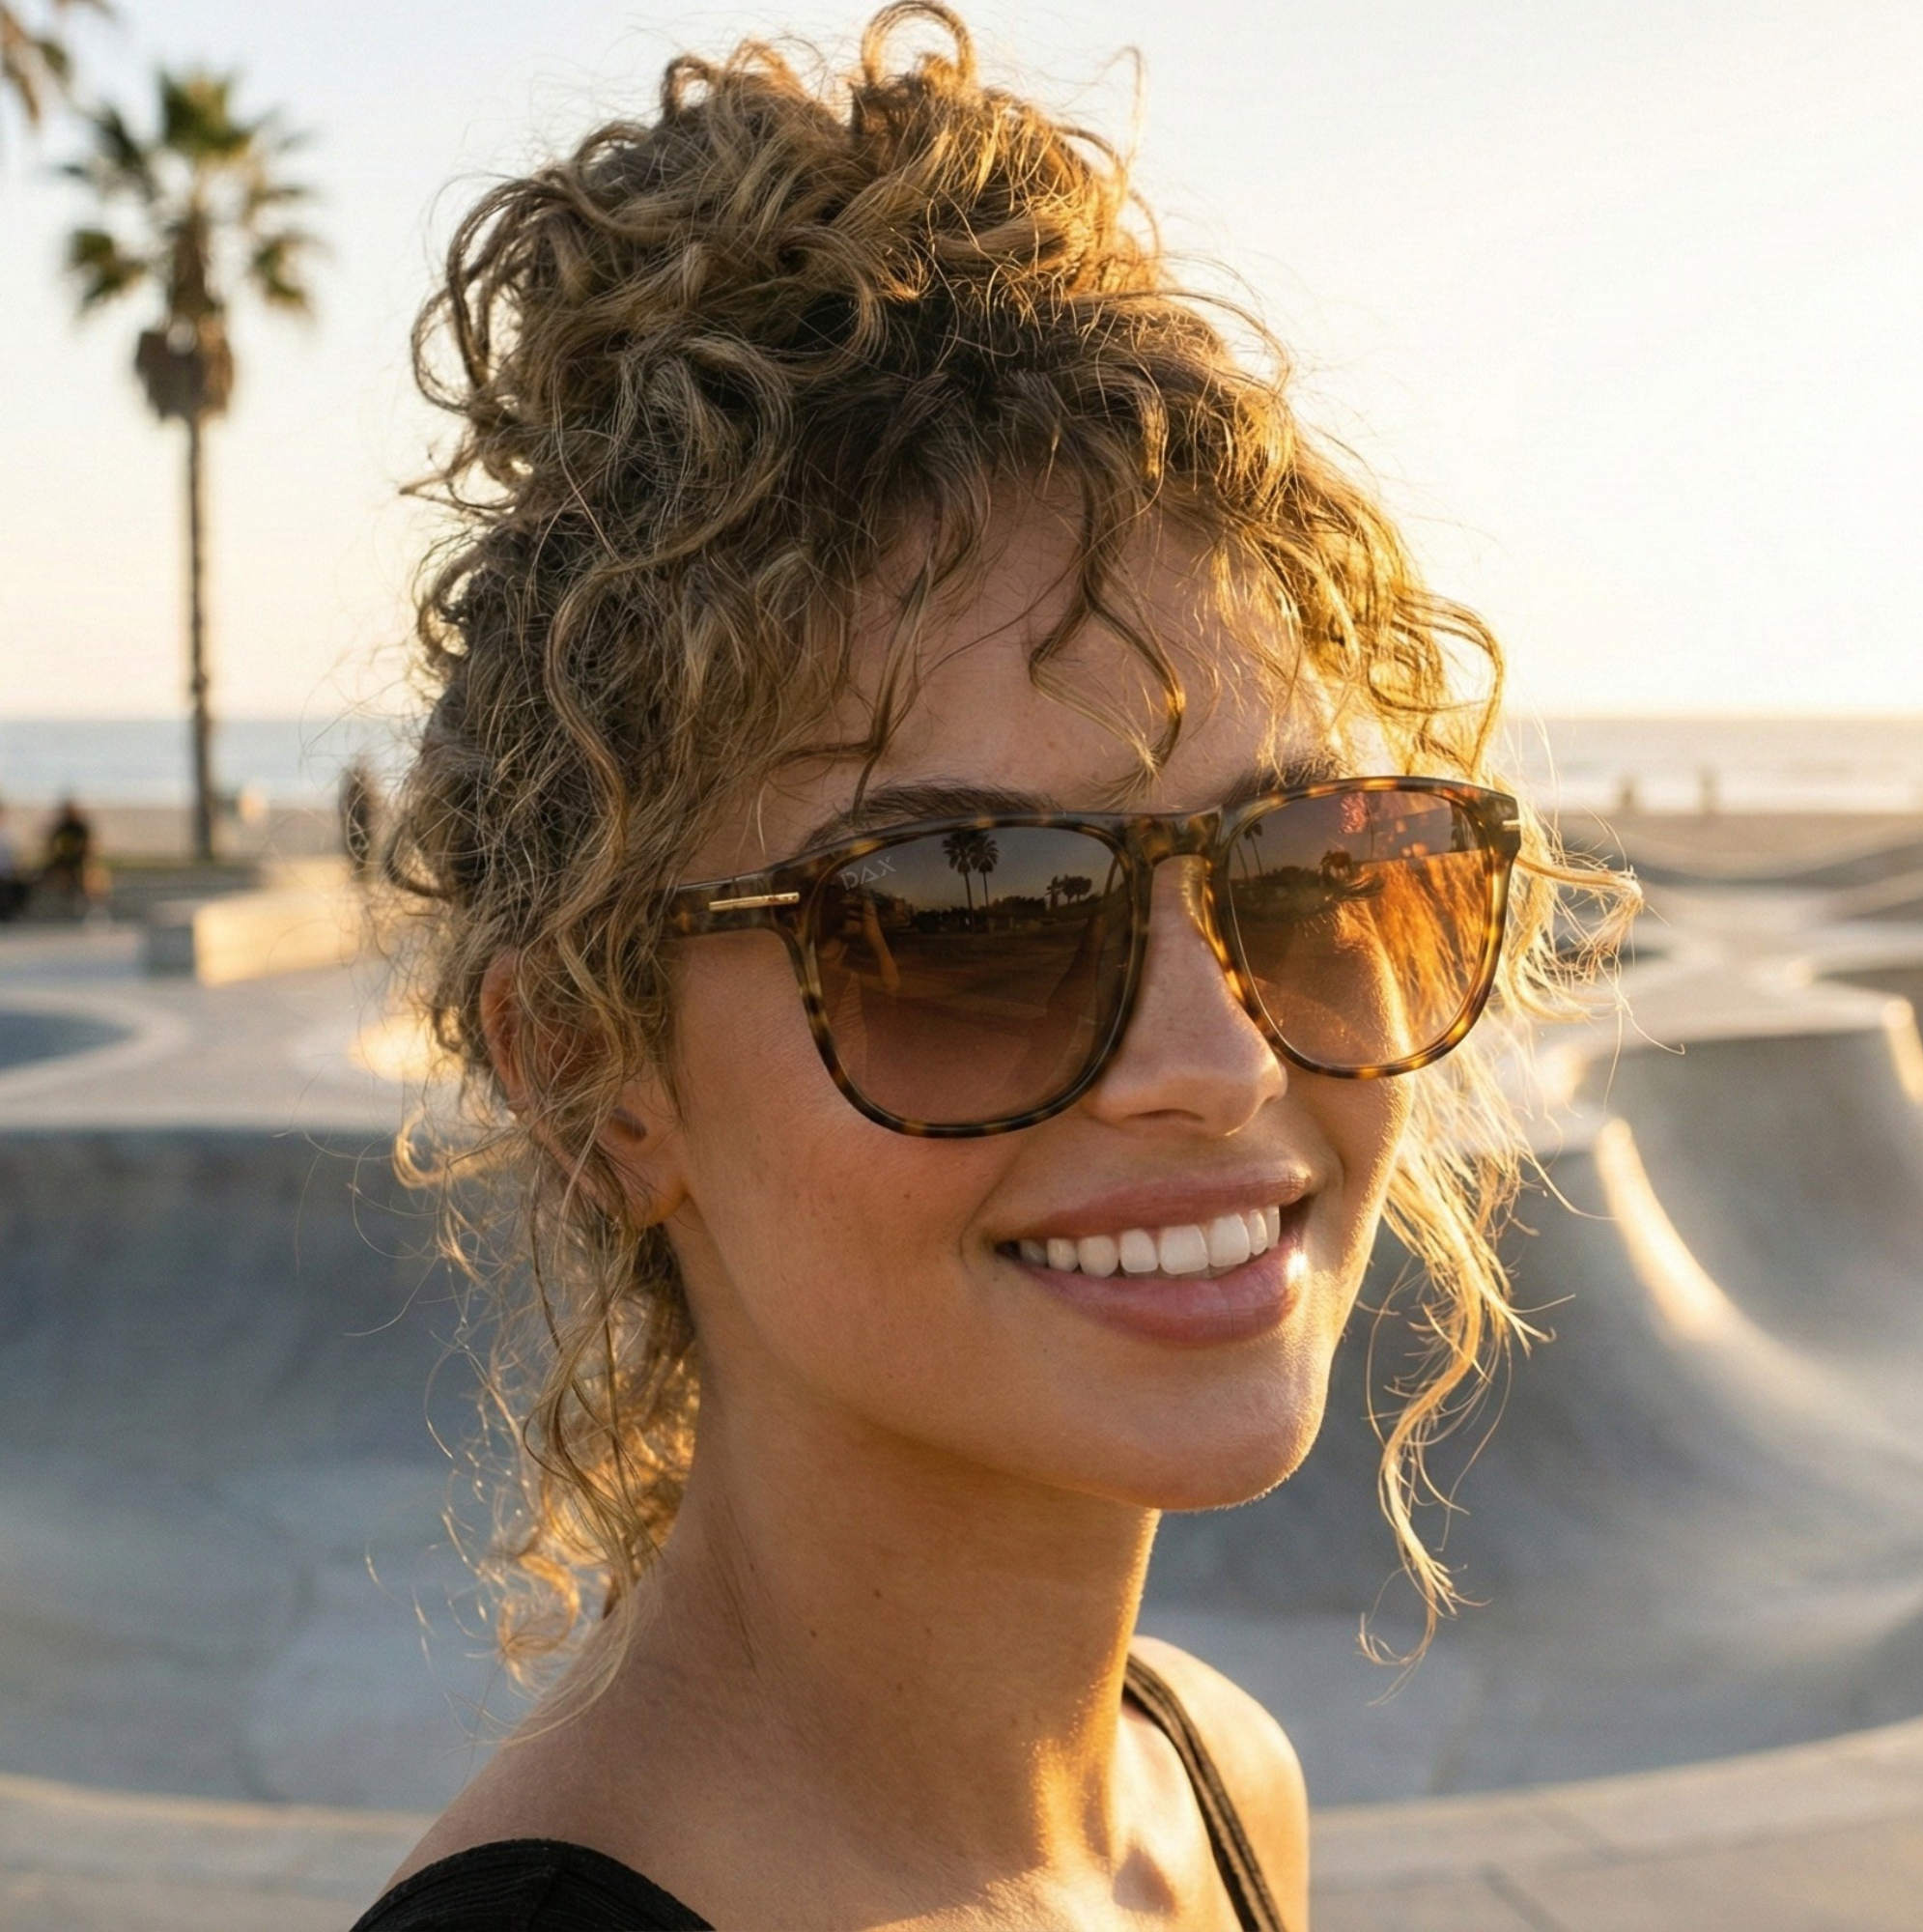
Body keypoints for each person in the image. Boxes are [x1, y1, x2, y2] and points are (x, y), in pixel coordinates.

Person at [358, 10, 1626, 1926]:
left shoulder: (1207, 1790)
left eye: (1306, 874)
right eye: (964, 915)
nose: (1208, 1056)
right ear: (590, 1077)